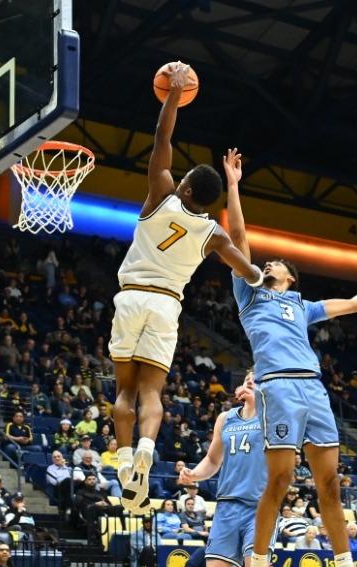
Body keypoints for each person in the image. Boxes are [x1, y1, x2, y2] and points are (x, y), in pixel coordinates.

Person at [224, 147, 357, 567]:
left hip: (313, 388)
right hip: (278, 385)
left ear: (290, 276)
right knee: (281, 478)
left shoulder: (304, 306)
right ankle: (259, 559)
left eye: (275, 263)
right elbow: (239, 240)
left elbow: (353, 304)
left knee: (330, 485)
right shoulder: (250, 293)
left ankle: (343, 560)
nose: (266, 263)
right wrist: (233, 185)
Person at [110, 62, 264, 515]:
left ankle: (123, 459)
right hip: (166, 307)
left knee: (123, 391)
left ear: (184, 184)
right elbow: (247, 268)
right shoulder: (212, 233)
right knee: (152, 394)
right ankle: (144, 448)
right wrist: (261, 279)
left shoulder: (160, 194)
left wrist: (174, 95)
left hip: (130, 294)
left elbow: (162, 142)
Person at [179, 372, 265, 566]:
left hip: (260, 506)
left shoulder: (273, 417)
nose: (250, 381)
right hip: (227, 506)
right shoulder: (225, 418)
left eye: (257, 379)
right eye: (247, 379)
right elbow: (212, 459)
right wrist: (194, 474)